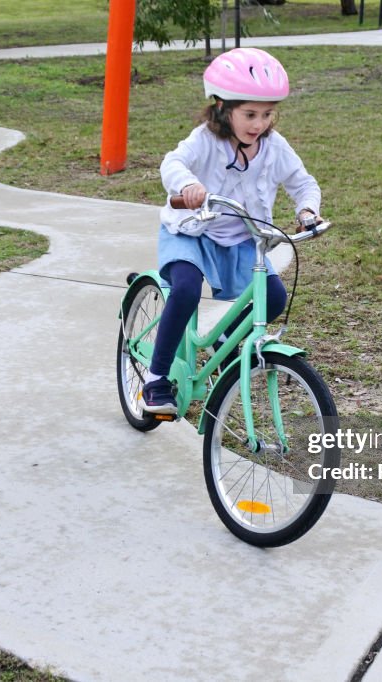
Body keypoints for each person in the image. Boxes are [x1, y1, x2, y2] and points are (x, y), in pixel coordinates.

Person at [140, 47, 322, 416]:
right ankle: (156, 378)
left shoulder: (274, 147)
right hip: (191, 232)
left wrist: (307, 209)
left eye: (268, 114)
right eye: (250, 114)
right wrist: (188, 185)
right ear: (223, 107)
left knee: (272, 296)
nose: (259, 124)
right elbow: (173, 162)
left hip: (241, 238)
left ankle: (225, 337)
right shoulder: (206, 139)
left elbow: (303, 183)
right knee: (187, 288)